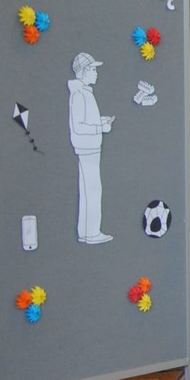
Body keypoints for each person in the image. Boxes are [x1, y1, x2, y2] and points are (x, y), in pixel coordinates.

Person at [67, 51, 114, 244]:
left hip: (89, 147)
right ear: (84, 71)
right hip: (88, 148)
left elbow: (85, 121)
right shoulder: (80, 94)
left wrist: (99, 122)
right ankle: (92, 232)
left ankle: (86, 232)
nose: (96, 73)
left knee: (89, 190)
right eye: (93, 69)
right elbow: (79, 126)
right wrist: (100, 127)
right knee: (92, 190)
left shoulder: (83, 93)